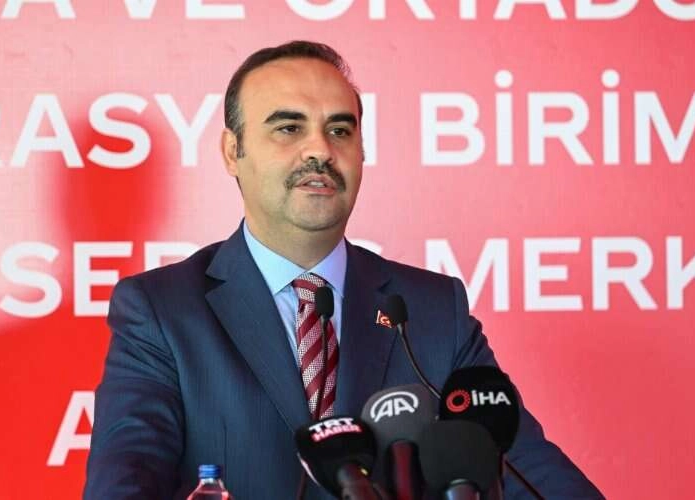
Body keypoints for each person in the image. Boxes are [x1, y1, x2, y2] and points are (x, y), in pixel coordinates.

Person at [84, 40, 603, 499]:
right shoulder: (162, 311)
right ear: (233, 151)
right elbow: (124, 482)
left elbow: (533, 474)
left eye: (339, 130)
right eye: (288, 128)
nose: (320, 150)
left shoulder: (431, 311)